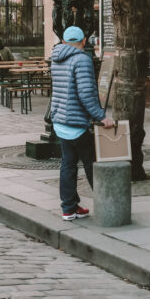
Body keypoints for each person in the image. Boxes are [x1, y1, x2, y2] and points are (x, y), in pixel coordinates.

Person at [50, 25, 114, 221]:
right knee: (91, 163)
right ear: (84, 41)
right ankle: (108, 205)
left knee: (67, 165)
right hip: (77, 122)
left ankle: (69, 208)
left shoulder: (56, 58)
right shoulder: (82, 59)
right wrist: (101, 117)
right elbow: (86, 94)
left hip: (60, 120)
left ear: (63, 41)